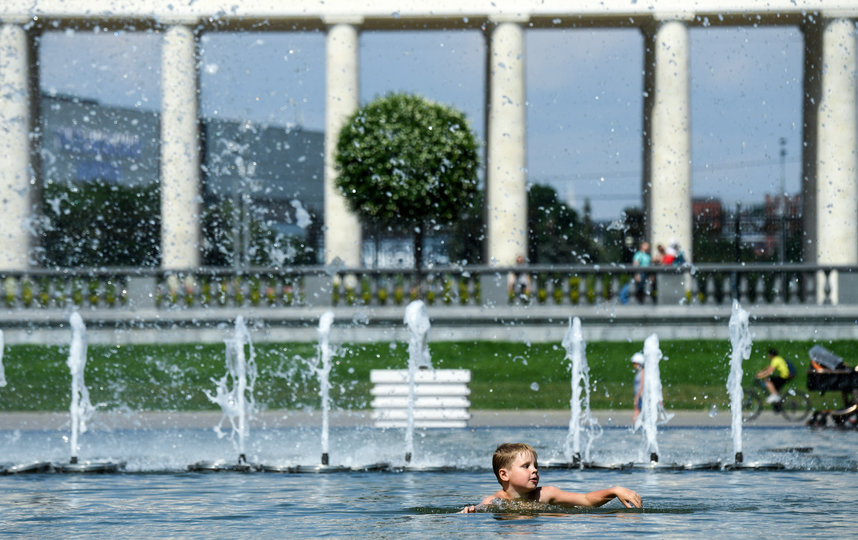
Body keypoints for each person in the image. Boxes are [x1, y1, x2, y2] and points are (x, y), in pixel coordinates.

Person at [460, 443, 642, 513]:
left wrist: (614, 490)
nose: (534, 471)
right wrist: (471, 510)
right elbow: (481, 508)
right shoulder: (496, 501)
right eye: (526, 466)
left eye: (535, 466)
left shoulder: (546, 494)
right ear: (504, 474)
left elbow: (586, 500)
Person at [632, 352, 645, 423]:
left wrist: (637, 397)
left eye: (635, 363)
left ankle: (636, 428)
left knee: (637, 413)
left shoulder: (643, 372)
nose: (634, 365)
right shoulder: (639, 372)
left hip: (641, 396)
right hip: (639, 396)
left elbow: (642, 385)